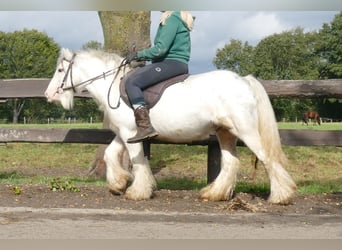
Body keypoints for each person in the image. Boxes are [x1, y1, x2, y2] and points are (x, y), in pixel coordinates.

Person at [124, 11, 194, 143]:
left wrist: (138, 54)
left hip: (171, 63)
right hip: (173, 63)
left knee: (132, 82)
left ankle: (145, 127)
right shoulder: (176, 17)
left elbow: (160, 49)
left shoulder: (172, 18)